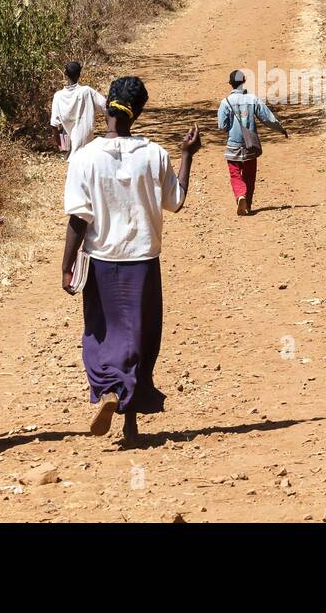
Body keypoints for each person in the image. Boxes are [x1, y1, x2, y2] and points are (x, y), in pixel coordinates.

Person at [61, 76, 200, 445]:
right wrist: (187, 155)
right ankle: (131, 423)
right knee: (140, 338)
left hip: (101, 261)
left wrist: (66, 263)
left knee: (101, 332)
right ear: (137, 112)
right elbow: (176, 201)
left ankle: (108, 390)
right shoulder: (155, 154)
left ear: (106, 106)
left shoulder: (84, 157)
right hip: (142, 260)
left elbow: (79, 218)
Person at [217, 69, 287, 216]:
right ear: (243, 81)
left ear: (230, 84)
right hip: (250, 146)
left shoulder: (225, 102)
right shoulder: (253, 99)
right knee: (249, 175)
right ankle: (247, 204)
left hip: (233, 147)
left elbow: (222, 126)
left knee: (235, 174)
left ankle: (240, 195)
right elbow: (267, 118)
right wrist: (280, 129)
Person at [50, 61, 107, 154]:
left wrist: (59, 144)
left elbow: (54, 124)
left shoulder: (58, 96)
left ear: (65, 75)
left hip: (68, 144)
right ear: (79, 74)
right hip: (86, 143)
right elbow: (105, 107)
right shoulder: (87, 91)